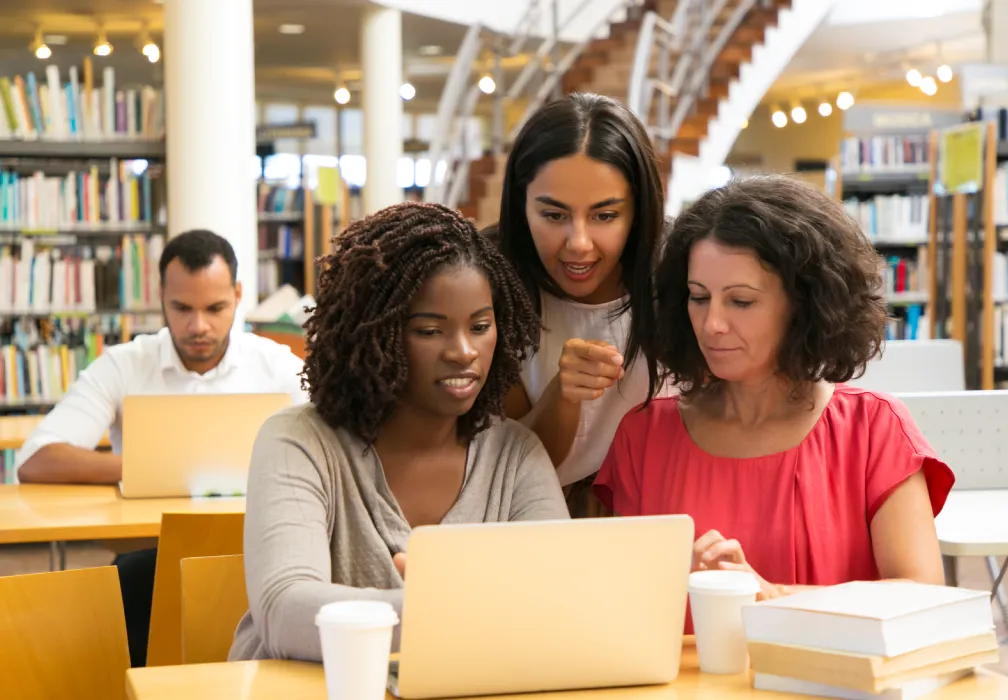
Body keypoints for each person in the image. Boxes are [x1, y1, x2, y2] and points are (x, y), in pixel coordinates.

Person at [229, 202, 569, 663]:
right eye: (430, 330)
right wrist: (451, 611)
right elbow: (285, 612)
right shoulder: (298, 442)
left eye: (480, 327)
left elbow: (558, 600)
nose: (463, 351)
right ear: (374, 333)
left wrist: (442, 611)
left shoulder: (516, 455)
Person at [593, 175, 955, 604]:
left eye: (741, 301)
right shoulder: (644, 437)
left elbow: (923, 596)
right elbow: (620, 602)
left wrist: (772, 596)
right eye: (698, 297)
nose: (712, 324)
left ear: (804, 304)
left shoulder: (874, 430)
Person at [16, 228, 307, 667]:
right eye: (182, 308)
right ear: (161, 298)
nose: (198, 326)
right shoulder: (125, 364)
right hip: (149, 561)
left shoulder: (276, 365)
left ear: (238, 296)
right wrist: (152, 466)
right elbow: (37, 460)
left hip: (258, 557)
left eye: (215, 308)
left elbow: (340, 441)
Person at [491, 92, 668, 516]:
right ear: (521, 204)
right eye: (554, 215)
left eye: (605, 216)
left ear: (638, 212)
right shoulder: (489, 283)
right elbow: (504, 471)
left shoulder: (681, 278)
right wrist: (563, 394)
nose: (579, 244)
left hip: (665, 518)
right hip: (533, 520)